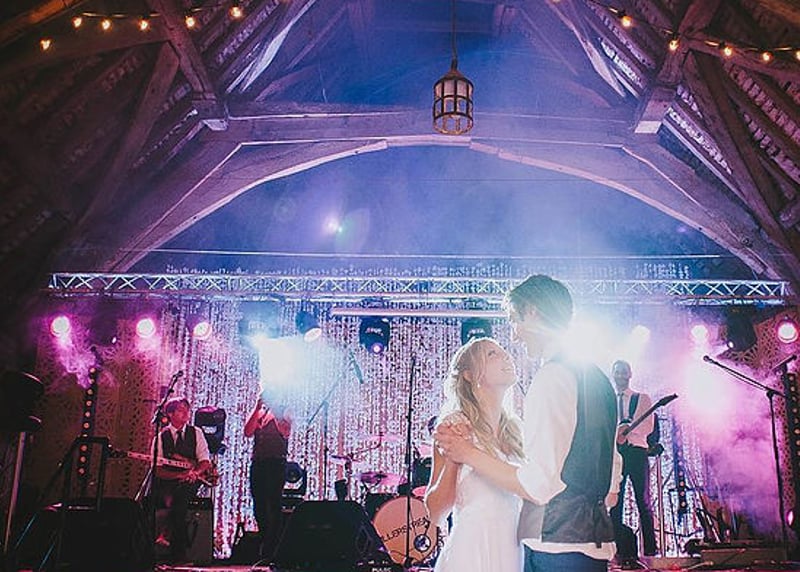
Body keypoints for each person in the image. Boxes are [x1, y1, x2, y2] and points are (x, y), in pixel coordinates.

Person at [436, 274, 622, 572]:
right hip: (590, 543)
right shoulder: (599, 379)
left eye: (515, 321)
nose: (515, 336)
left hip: (556, 545)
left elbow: (539, 485)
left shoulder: (552, 377)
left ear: (532, 312)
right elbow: (612, 471)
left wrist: (468, 453)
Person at [424, 336, 525, 572]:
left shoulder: (516, 431)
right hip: (471, 551)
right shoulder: (455, 426)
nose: (506, 356)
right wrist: (455, 458)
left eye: (504, 351)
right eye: (492, 354)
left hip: (512, 549)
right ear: (469, 375)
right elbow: (436, 513)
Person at [153, 397, 212, 564]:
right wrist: (178, 476)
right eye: (180, 410)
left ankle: (170, 540)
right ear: (170, 414)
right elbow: (157, 470)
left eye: (187, 410)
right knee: (175, 499)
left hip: (191, 480)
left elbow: (205, 460)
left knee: (180, 496)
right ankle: (176, 552)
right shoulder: (161, 437)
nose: (186, 413)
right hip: (169, 481)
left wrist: (195, 473)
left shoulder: (196, 433)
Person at [610, 359, 657, 562]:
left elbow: (648, 427)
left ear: (630, 374)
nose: (620, 375)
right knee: (615, 500)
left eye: (624, 371)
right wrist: (617, 435)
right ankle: (616, 549)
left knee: (643, 501)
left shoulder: (642, 398)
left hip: (637, 452)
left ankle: (650, 550)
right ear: (613, 375)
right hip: (616, 455)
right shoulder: (608, 400)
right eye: (617, 372)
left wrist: (627, 432)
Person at [244, 393, 292, 561]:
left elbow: (286, 432)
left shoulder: (285, 410)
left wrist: (276, 411)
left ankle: (273, 547)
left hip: (276, 463)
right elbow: (248, 432)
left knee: (273, 503)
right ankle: (265, 539)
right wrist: (257, 408)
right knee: (259, 504)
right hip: (258, 462)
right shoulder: (260, 412)